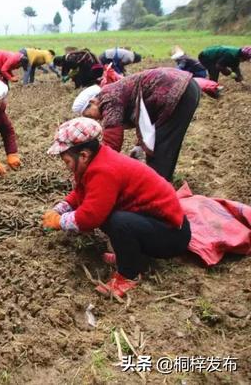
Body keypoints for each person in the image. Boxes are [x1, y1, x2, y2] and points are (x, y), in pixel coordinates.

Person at [42, 117, 191, 297]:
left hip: (171, 236)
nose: (66, 167)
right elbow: (82, 193)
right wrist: (61, 208)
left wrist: (60, 221)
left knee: (116, 221)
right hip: (154, 223)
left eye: (66, 161)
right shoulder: (96, 161)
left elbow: (89, 217)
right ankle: (129, 252)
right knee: (111, 216)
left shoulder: (104, 171)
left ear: (83, 155)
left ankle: (129, 274)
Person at [72, 68, 200, 182]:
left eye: (89, 115)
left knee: (160, 146)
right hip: (187, 87)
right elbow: (145, 119)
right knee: (166, 144)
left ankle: (156, 188)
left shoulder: (108, 99)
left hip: (178, 90)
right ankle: (164, 182)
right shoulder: (113, 93)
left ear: (93, 101)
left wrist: (97, 165)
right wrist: (139, 145)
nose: (96, 120)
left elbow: (112, 139)